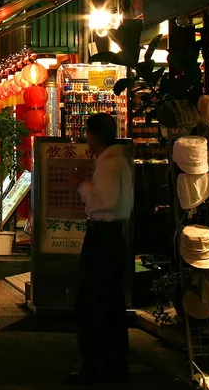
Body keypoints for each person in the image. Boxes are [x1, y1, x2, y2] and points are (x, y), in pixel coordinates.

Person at [67, 113, 133, 385]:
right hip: (113, 236)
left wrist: (82, 187)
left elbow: (104, 199)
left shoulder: (109, 163)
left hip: (102, 235)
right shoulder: (118, 161)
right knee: (111, 301)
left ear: (95, 135)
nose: (85, 138)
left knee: (94, 300)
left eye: (87, 133)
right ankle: (112, 363)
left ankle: (95, 365)